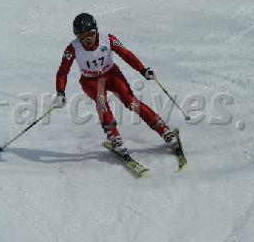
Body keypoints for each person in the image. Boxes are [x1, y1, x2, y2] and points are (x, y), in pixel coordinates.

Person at [54, 13, 178, 154]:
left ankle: (163, 129)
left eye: (90, 34)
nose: (87, 39)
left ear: (96, 30)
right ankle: (114, 136)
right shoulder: (73, 48)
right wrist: (60, 92)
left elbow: (126, 54)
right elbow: (63, 71)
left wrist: (143, 70)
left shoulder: (107, 39)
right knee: (101, 101)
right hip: (90, 80)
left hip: (111, 74)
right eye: (82, 36)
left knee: (131, 102)